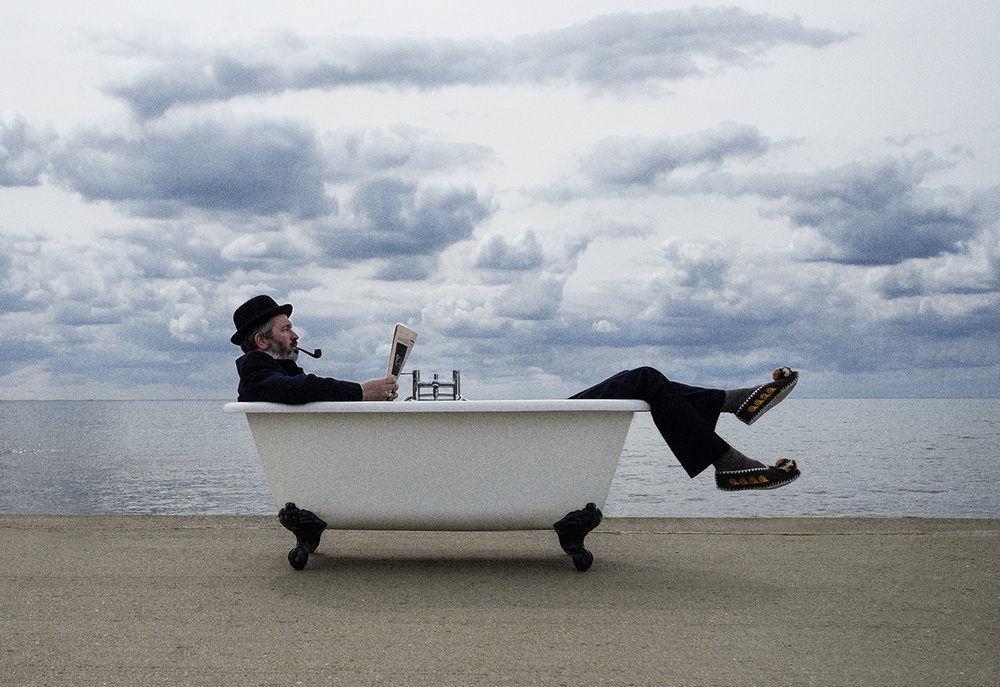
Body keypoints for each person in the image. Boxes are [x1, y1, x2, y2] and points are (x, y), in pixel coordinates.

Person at [231, 295, 800, 492]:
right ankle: (729, 433)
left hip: (499, 450)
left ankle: (732, 412)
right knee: (644, 379)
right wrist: (362, 390)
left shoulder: (283, 377)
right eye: (286, 329)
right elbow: (291, 391)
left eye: (293, 327)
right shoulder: (260, 376)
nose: (295, 334)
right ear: (262, 341)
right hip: (503, 454)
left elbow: (302, 390)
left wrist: (368, 394)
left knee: (644, 378)